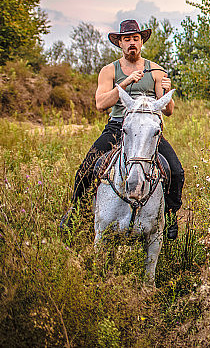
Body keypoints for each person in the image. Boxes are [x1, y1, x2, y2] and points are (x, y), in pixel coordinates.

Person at [60, 20, 185, 239]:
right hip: (118, 126)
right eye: (127, 39)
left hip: (147, 130)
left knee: (175, 171)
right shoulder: (110, 71)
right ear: (120, 43)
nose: (132, 43)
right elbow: (100, 104)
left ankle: (171, 217)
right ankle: (74, 213)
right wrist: (125, 83)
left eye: (136, 39)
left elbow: (168, 111)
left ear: (141, 42)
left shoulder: (156, 71)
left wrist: (166, 93)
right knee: (87, 168)